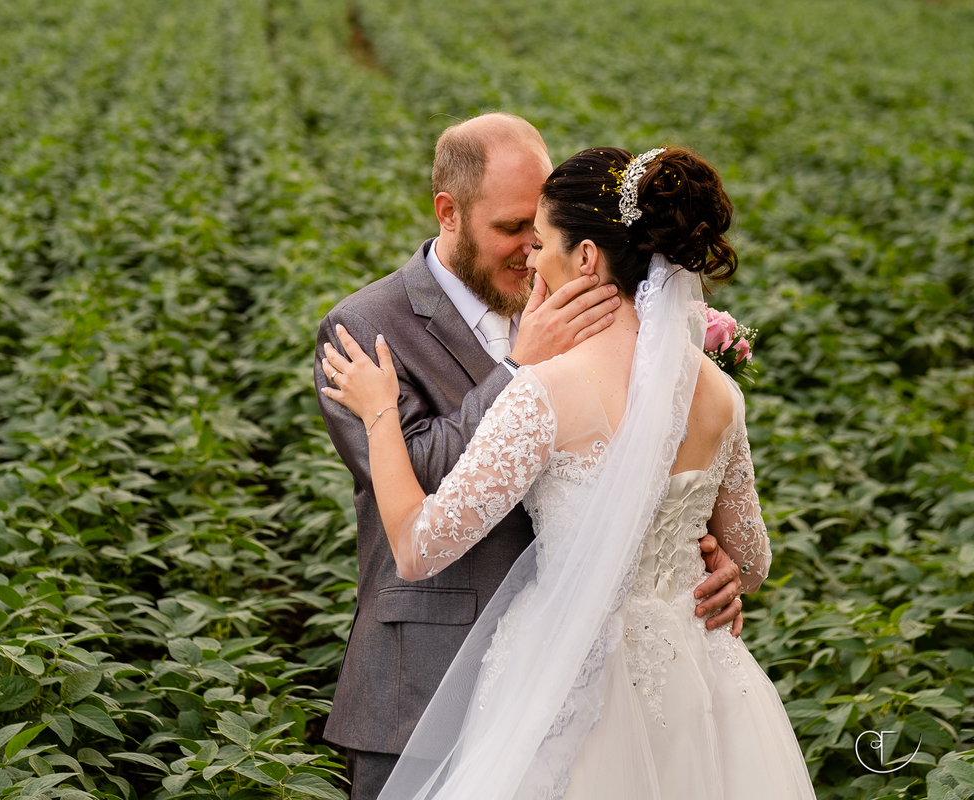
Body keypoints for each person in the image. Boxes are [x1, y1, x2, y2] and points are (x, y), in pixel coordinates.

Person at [320, 145, 815, 799]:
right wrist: (707, 561)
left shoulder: (546, 391)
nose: (531, 257)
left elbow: (417, 547)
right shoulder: (718, 392)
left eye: (544, 241)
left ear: (586, 257)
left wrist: (381, 413)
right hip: (698, 684)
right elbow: (751, 564)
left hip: (569, 685)